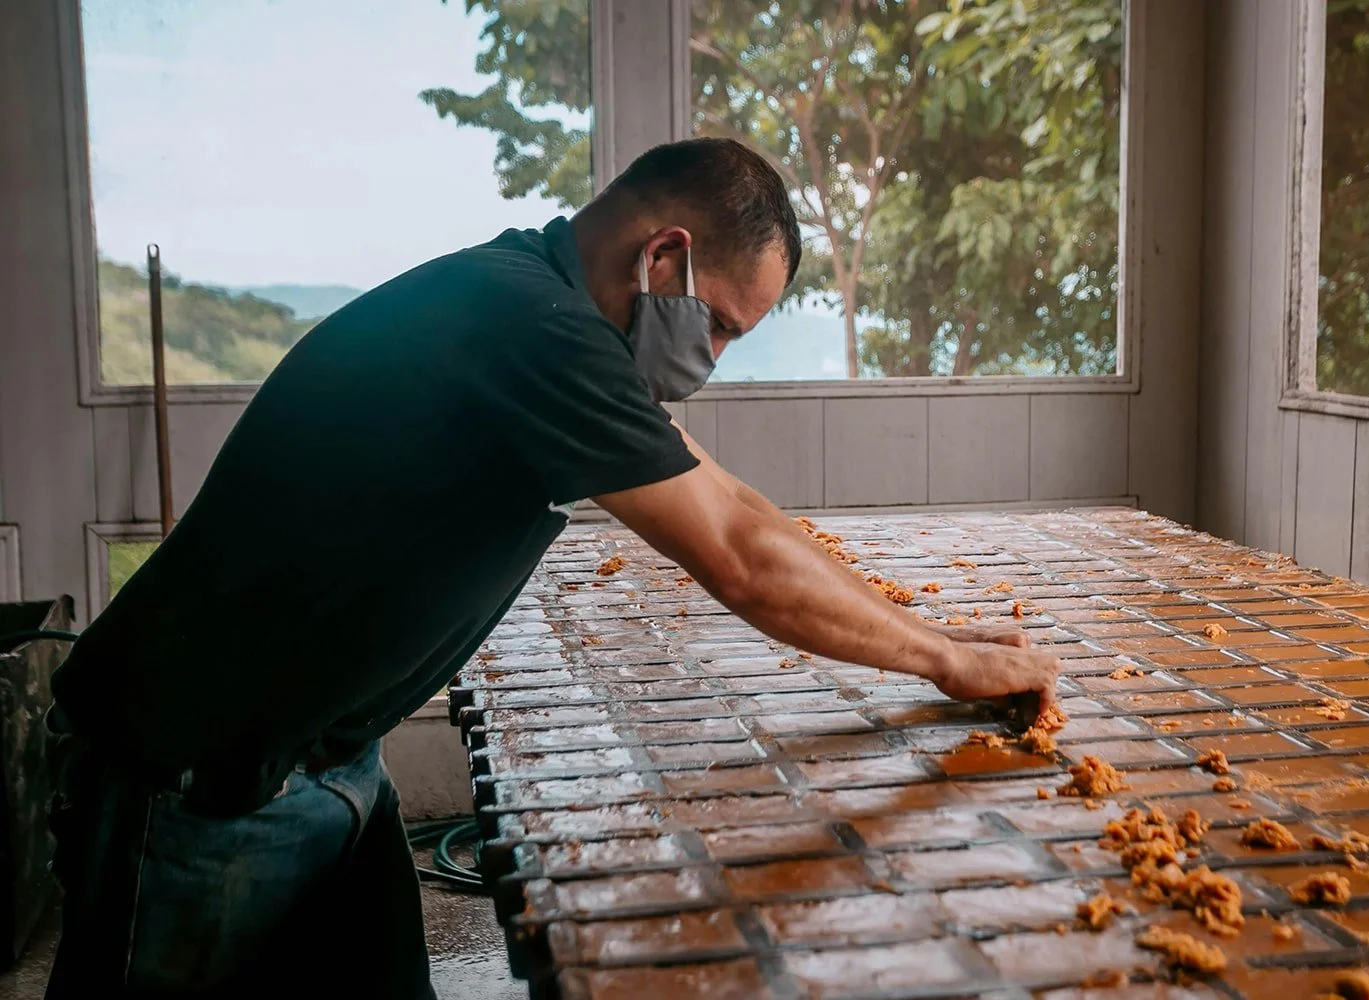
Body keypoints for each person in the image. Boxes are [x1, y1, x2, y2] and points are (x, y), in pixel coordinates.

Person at [43, 137, 1063, 998]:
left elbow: (740, 505)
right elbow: (741, 564)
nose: (710, 356)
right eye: (717, 323)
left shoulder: (542, 307)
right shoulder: (532, 328)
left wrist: (941, 635)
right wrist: (945, 669)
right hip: (193, 779)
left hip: (323, 761)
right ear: (664, 256)